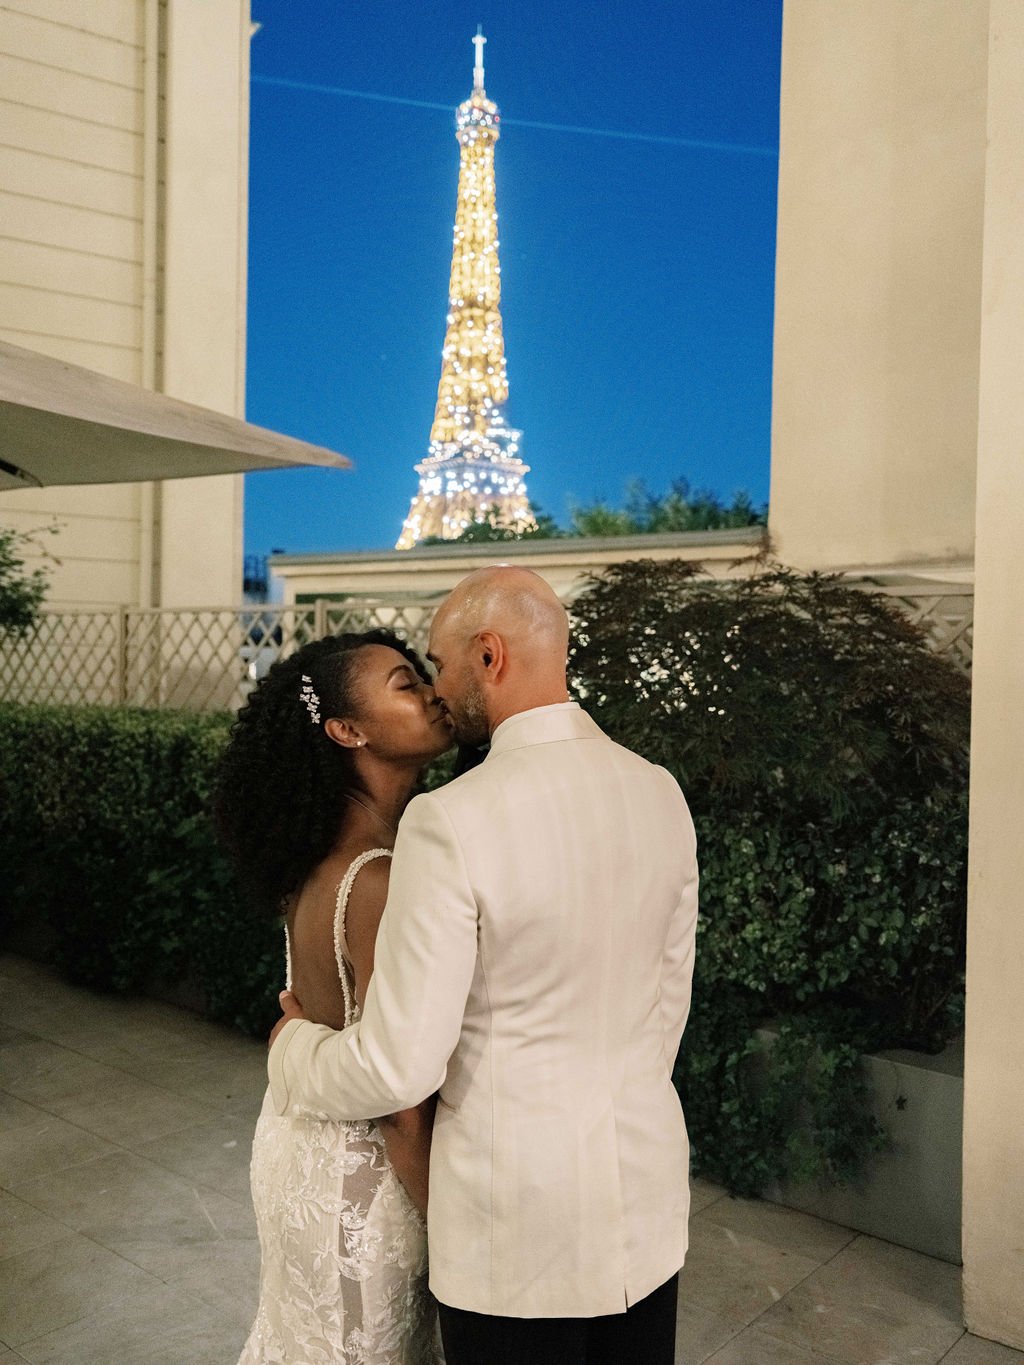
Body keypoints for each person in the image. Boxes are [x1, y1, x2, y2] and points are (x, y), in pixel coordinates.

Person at [270, 566, 700, 1365]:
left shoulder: (450, 820)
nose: (437, 686)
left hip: (514, 1237)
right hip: (645, 1204)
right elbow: (666, 1009)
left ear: (489, 657)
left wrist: (293, 1050)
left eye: (439, 662)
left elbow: (398, 1065)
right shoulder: (659, 791)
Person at [213, 629, 452, 1365]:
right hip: (363, 1185)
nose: (432, 692)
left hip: (295, 1150)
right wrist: (451, 1227)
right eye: (406, 683)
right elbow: (400, 1100)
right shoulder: (380, 875)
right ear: (348, 730)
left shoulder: (320, 856)